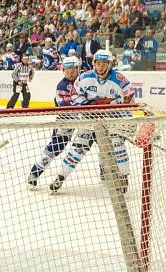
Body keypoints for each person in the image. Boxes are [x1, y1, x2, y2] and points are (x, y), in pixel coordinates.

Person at [49, 50, 135, 193]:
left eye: (104, 64)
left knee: (117, 146)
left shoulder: (121, 81)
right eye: (98, 63)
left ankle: (123, 177)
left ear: (110, 64)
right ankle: (60, 177)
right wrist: (87, 105)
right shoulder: (84, 77)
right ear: (93, 63)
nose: (100, 67)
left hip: (112, 121)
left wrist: (124, 123)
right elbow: (75, 95)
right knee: (78, 149)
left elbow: (130, 102)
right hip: (89, 119)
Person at [27, 57, 82, 189]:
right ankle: (34, 174)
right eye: (67, 69)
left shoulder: (85, 79)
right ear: (63, 70)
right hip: (66, 120)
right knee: (54, 147)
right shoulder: (61, 85)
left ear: (78, 69)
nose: (70, 72)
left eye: (73, 69)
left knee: (98, 142)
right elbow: (64, 105)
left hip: (88, 120)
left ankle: (105, 172)